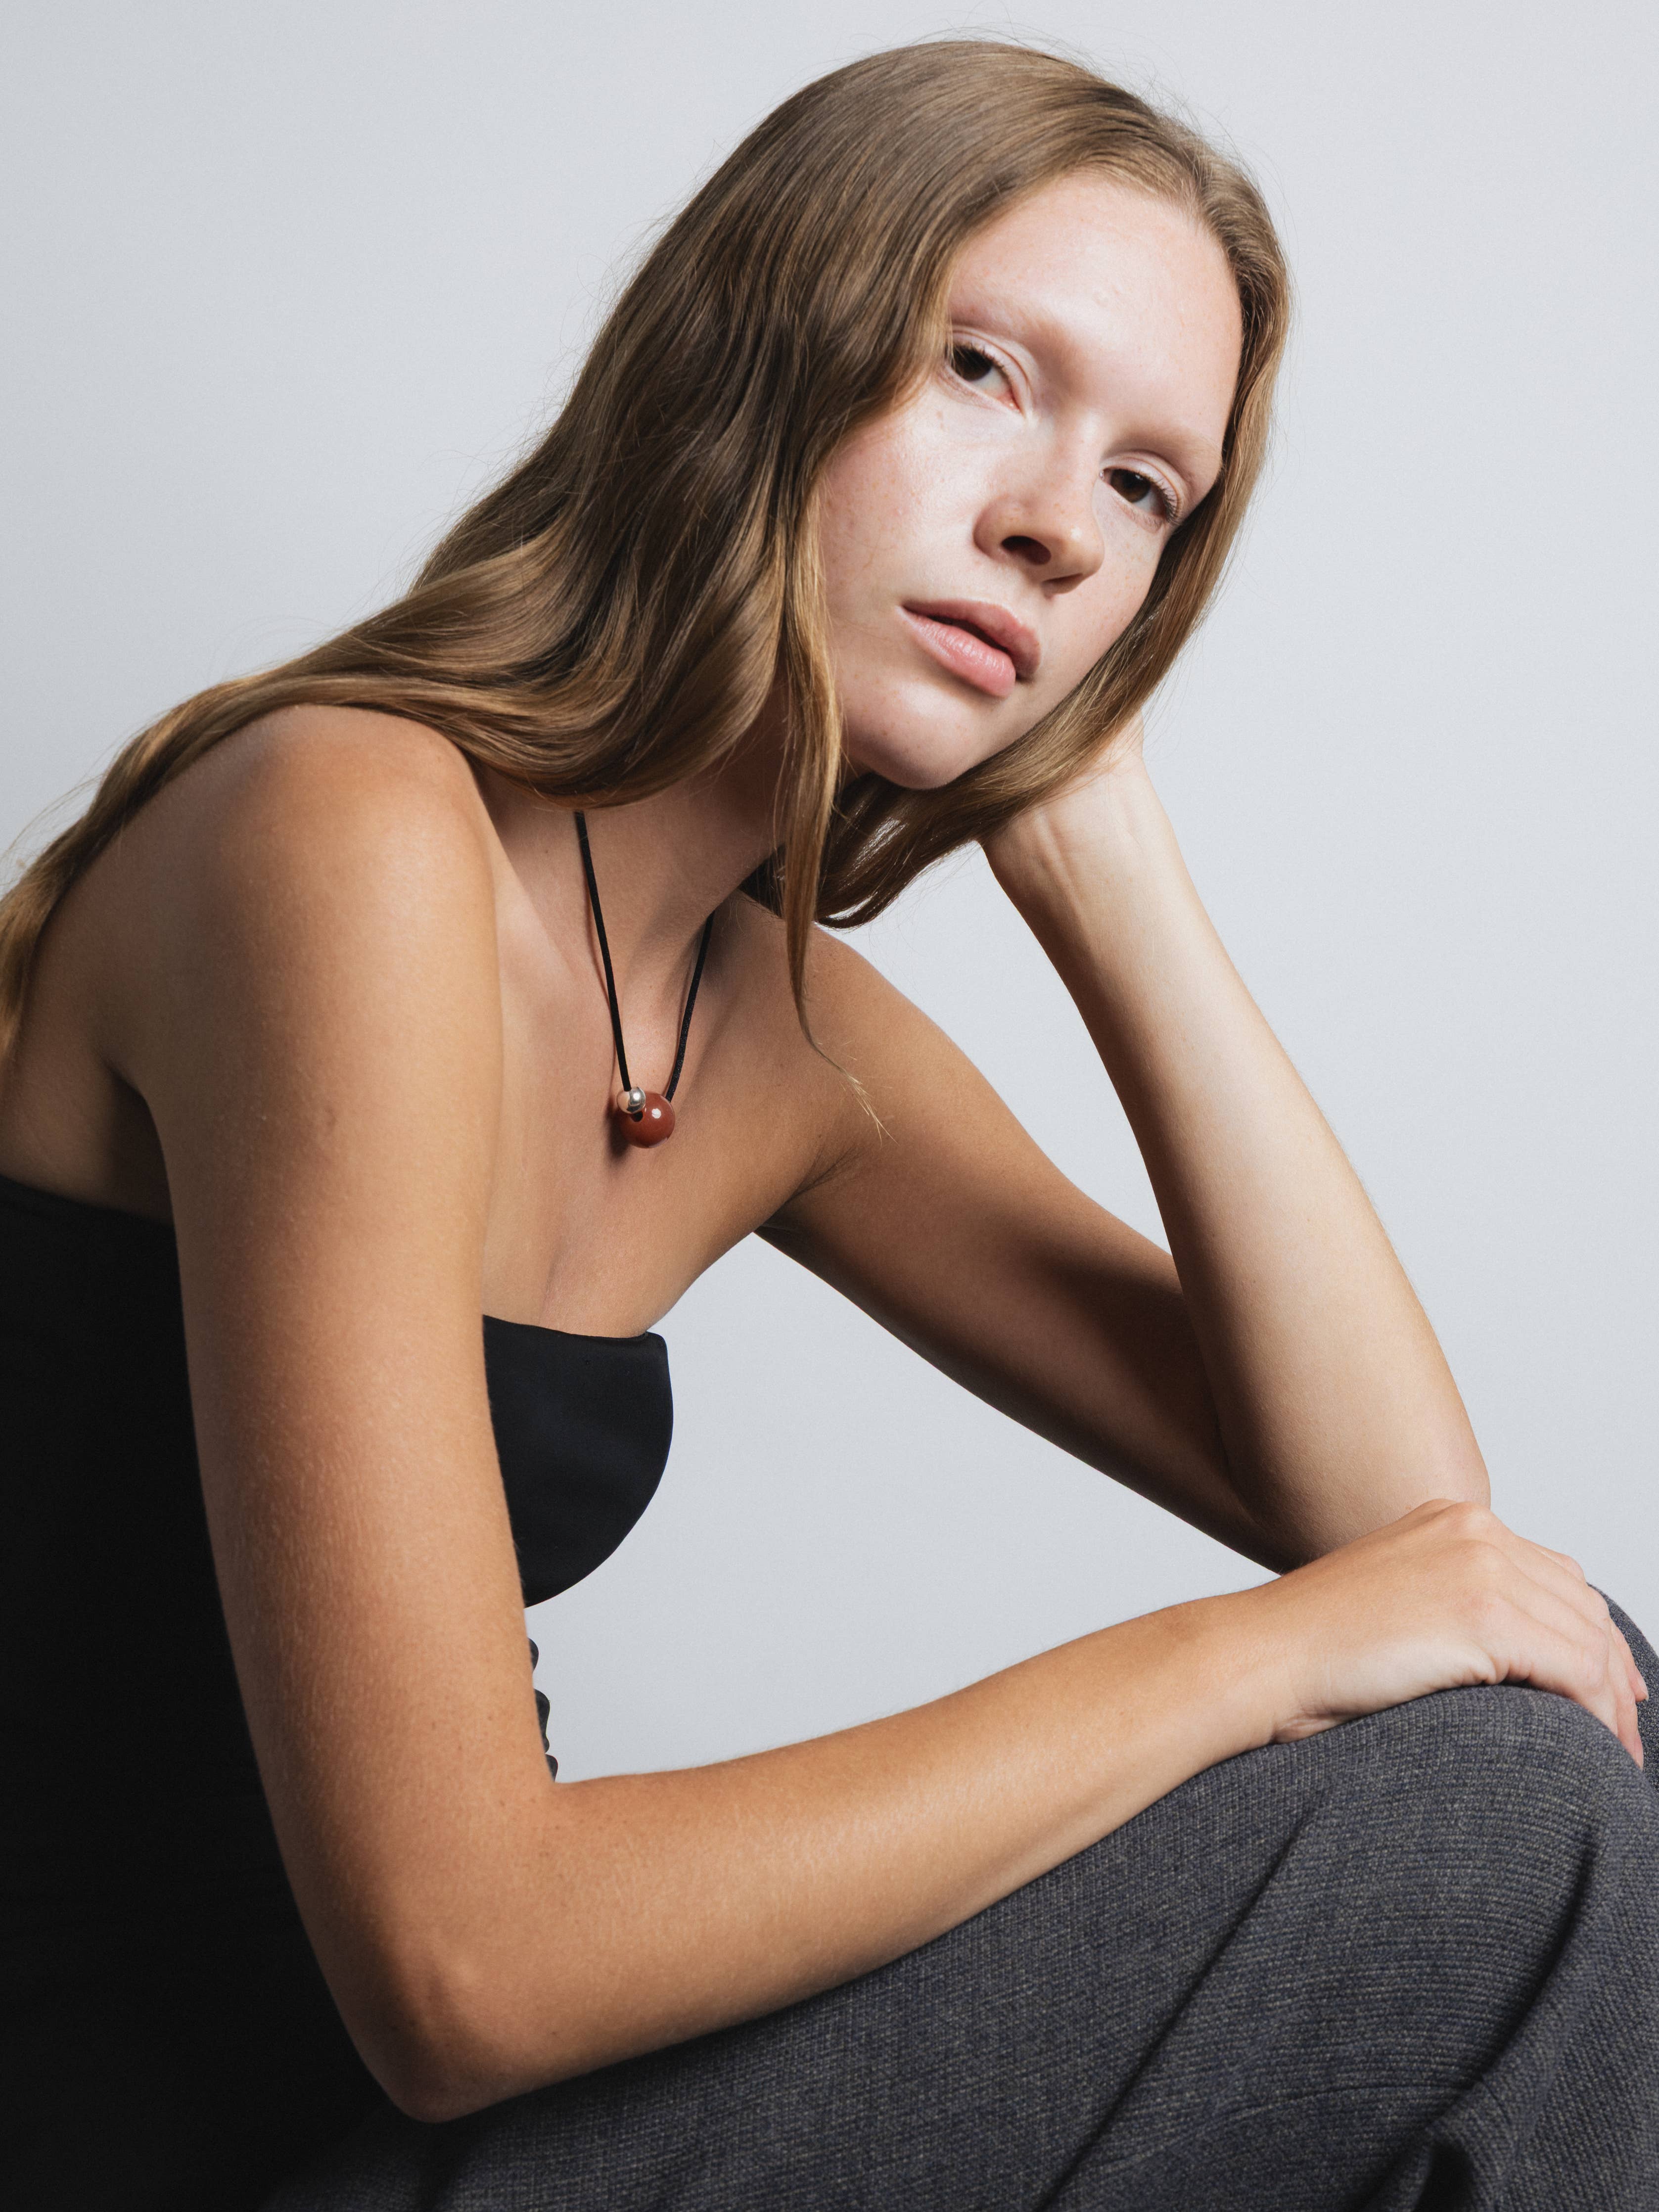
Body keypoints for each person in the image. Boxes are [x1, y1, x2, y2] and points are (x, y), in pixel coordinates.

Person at [1, 37, 1655, 2212]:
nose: (1055, 523)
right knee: (1513, 1827)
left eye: (1146, 491)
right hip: (198, 2155)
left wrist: (1112, 872)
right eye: (981, 370)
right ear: (759, 348)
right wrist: (1248, 1662)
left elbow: (1416, 1542)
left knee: (1555, 1725)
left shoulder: (770, 1032)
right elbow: (462, 1961)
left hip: (457, 2150)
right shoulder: (345, 831)